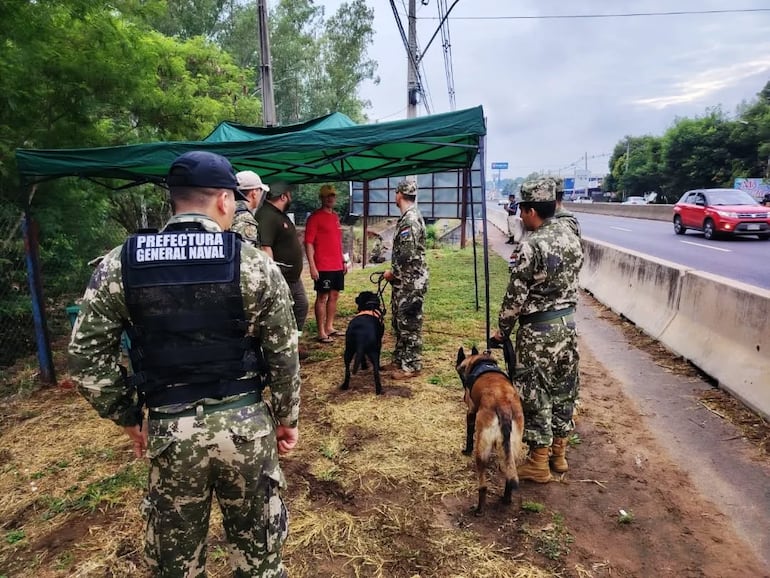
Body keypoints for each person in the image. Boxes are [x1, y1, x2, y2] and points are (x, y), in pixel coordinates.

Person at [68, 151, 301, 576]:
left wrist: (128, 416)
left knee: (175, 566)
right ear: (225, 201)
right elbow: (284, 354)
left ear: (173, 202)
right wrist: (287, 418)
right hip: (245, 429)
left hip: (169, 433)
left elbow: (85, 359)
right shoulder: (254, 265)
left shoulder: (122, 263)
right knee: (260, 564)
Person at [491, 177, 584, 483]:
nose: (519, 216)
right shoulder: (571, 232)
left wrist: (502, 330)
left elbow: (515, 296)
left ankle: (539, 462)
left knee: (535, 391)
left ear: (532, 211)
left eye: (522, 210)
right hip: (567, 325)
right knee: (563, 388)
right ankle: (559, 454)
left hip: (539, 331)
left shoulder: (532, 245)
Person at [255, 181, 309, 358]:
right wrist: (273, 277)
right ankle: (284, 347)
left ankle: (294, 342)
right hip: (281, 277)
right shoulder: (267, 215)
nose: (291, 198)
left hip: (291, 276)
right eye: (290, 195)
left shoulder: (278, 214)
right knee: (284, 312)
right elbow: (265, 247)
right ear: (284, 196)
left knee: (299, 306)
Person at [383, 180, 429, 380]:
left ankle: (411, 365)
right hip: (405, 281)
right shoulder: (410, 216)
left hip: (410, 282)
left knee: (409, 322)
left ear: (399, 195)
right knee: (400, 320)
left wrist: (393, 272)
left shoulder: (409, 220)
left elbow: (407, 254)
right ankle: (400, 359)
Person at [304, 184, 351, 343]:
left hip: (337, 264)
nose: (330, 198)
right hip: (322, 265)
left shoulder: (335, 216)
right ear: (321, 198)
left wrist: (343, 260)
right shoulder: (315, 217)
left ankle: (330, 326)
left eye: (332, 195)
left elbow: (337, 242)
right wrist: (312, 265)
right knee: (322, 296)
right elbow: (308, 242)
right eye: (327, 196)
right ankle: (321, 331)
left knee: (334, 295)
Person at [232, 169, 269, 247]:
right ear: (254, 193)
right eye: (260, 190)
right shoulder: (245, 219)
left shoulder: (227, 211)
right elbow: (247, 254)